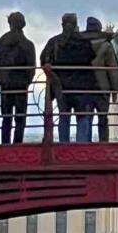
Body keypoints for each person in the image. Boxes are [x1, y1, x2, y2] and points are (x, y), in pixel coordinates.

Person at [41, 13, 98, 143]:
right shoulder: (84, 42)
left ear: (62, 24)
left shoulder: (54, 42)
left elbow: (43, 60)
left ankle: (63, 146)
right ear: (75, 24)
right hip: (81, 88)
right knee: (82, 118)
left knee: (64, 117)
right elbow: (91, 57)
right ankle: (81, 148)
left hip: (61, 87)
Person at [0, 11, 36, 144]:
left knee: (6, 118)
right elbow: (31, 69)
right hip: (21, 85)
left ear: (10, 24)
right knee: (20, 118)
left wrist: (4, 76)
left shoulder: (3, 43)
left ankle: (5, 144)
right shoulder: (28, 45)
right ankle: (18, 144)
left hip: (6, 85)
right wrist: (26, 80)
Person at [78, 17, 118, 142]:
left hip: (84, 87)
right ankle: (103, 143)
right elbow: (112, 68)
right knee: (103, 118)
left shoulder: (80, 45)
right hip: (102, 87)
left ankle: (84, 145)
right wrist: (115, 89)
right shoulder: (106, 45)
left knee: (86, 117)